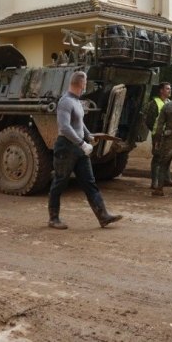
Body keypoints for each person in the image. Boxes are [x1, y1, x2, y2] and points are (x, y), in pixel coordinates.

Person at [47, 71, 123, 230]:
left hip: (79, 149)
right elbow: (65, 127)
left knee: (90, 183)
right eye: (85, 82)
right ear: (80, 84)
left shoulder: (77, 101)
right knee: (59, 182)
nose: (86, 85)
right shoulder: (65, 102)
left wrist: (89, 136)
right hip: (66, 147)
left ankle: (103, 216)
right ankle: (53, 218)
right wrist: (82, 143)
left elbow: (79, 123)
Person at [145, 82, 172, 189]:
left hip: (168, 135)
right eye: (167, 89)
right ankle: (154, 182)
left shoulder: (169, 102)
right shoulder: (154, 103)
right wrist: (156, 130)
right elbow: (149, 120)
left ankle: (166, 179)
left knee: (167, 157)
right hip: (158, 135)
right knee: (157, 157)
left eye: (170, 88)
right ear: (161, 90)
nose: (169, 90)